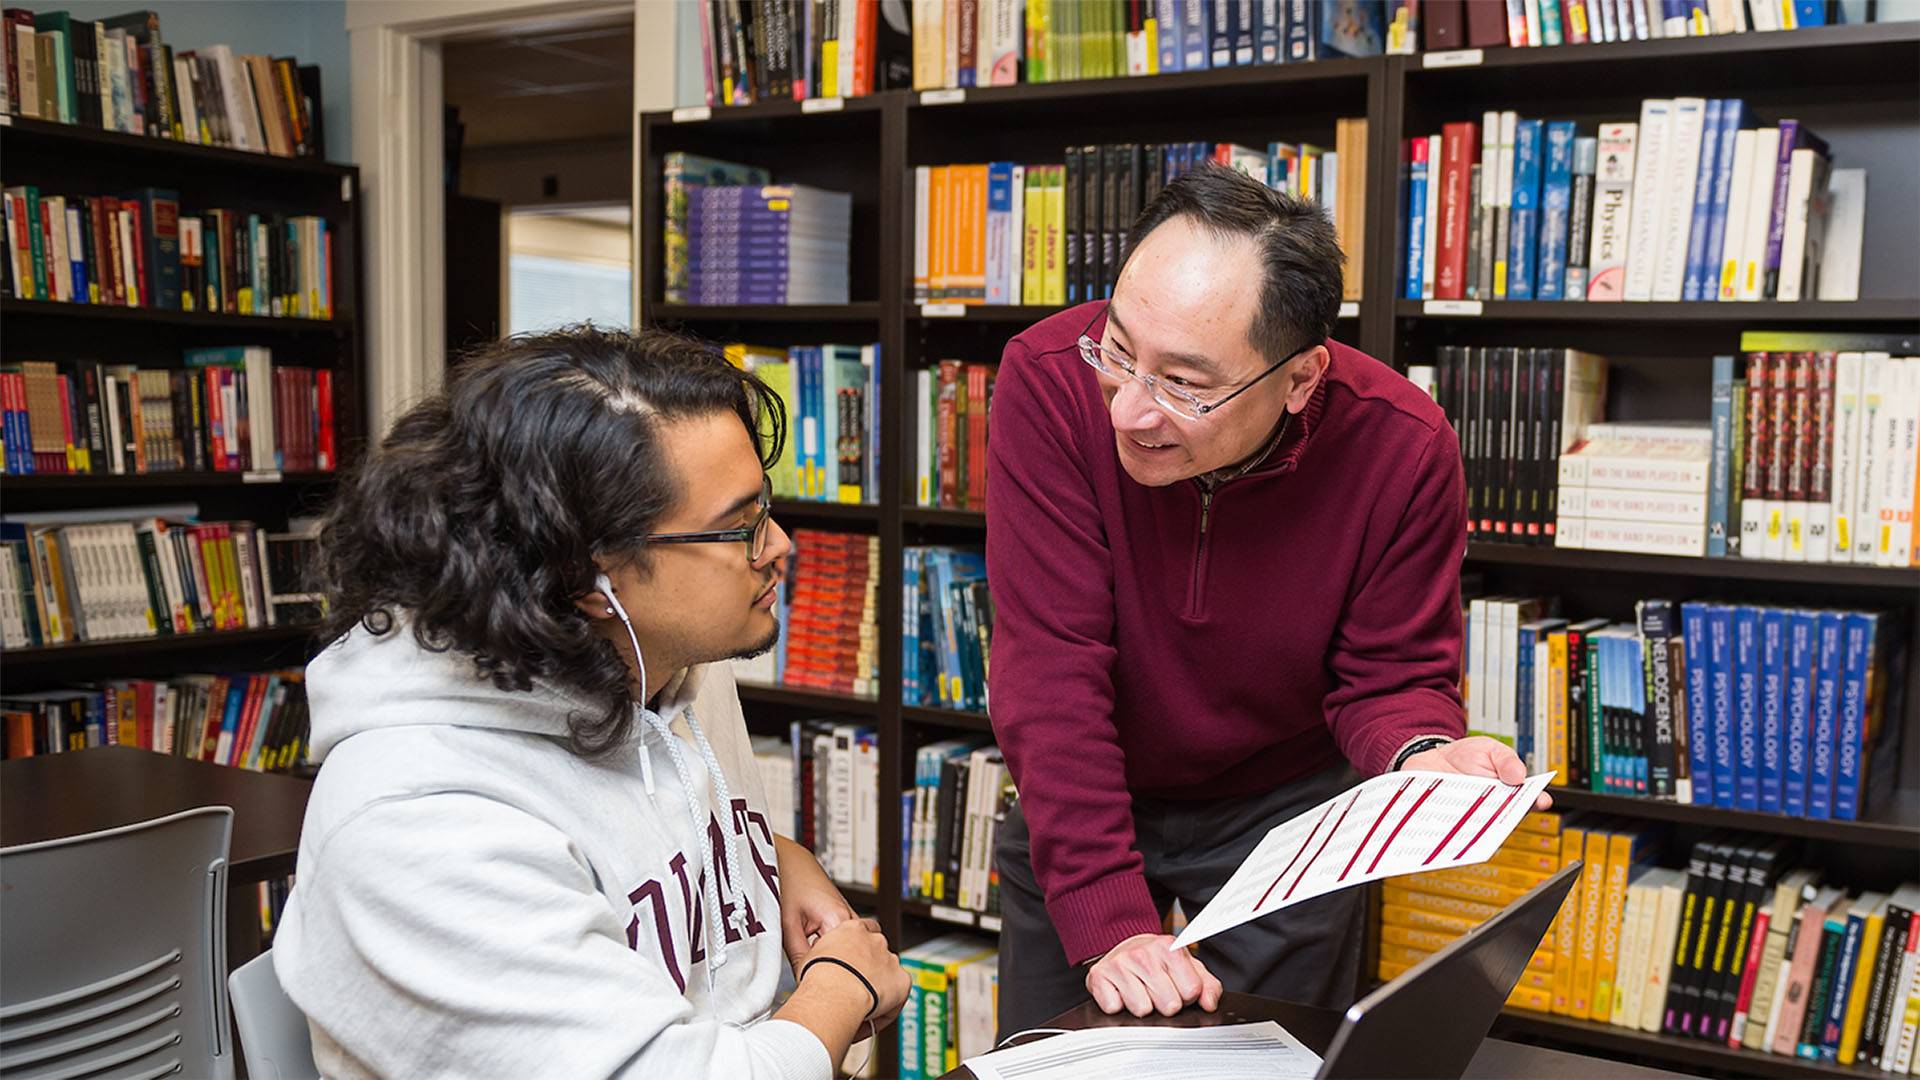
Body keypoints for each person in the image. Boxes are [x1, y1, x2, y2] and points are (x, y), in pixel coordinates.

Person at [986, 164, 1549, 1034]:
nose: (1131, 410)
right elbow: (1050, 663)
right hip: (1082, 794)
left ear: (1300, 377)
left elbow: (1390, 673)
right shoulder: (1049, 380)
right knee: (1048, 1058)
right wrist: (1113, 922)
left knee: (1273, 1056)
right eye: (1121, 349)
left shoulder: (1402, 445)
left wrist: (1421, 752)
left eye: (1186, 383)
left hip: (1283, 821)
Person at [273, 326, 909, 1078]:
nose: (779, 546)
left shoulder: (664, 670)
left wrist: (773, 857)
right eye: (738, 527)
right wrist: (843, 987)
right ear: (589, 579)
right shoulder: (418, 826)